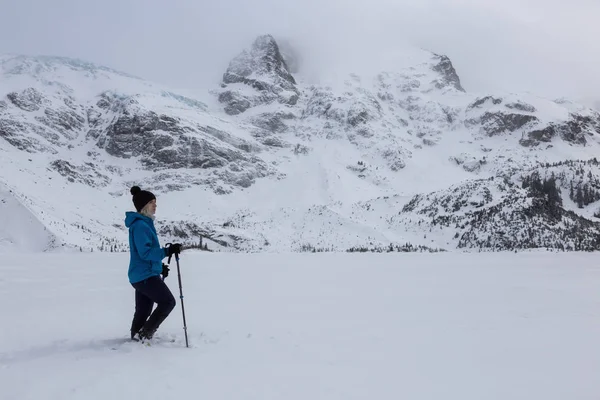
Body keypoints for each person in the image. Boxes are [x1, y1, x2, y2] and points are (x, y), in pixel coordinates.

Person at [125, 185, 182, 341]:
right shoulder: (141, 226)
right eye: (152, 203)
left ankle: (136, 336)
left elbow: (144, 253)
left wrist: (159, 267)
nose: (155, 206)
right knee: (168, 302)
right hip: (144, 275)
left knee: (143, 310)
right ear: (144, 206)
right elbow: (145, 253)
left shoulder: (143, 224)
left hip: (142, 274)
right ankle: (145, 334)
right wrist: (166, 252)